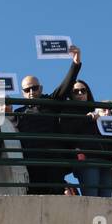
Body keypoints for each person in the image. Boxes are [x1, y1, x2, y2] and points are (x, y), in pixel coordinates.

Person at [13, 45, 82, 195]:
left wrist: (75, 63)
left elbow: (66, 85)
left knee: (54, 196)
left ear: (41, 88)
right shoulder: (18, 112)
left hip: (52, 162)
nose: (31, 92)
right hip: (30, 163)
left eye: (34, 88)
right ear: (22, 92)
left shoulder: (51, 103)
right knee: (31, 199)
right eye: (27, 89)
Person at [0, 69, 29, 195]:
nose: (5, 106)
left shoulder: (18, 121)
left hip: (16, 174)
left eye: (8, 103)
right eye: (0, 103)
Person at [65, 78, 112, 197]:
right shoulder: (68, 111)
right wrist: (88, 118)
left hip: (105, 159)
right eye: (76, 91)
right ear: (71, 95)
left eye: (83, 90)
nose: (80, 93)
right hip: (86, 159)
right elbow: (69, 131)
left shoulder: (97, 110)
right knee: (91, 197)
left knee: (107, 198)